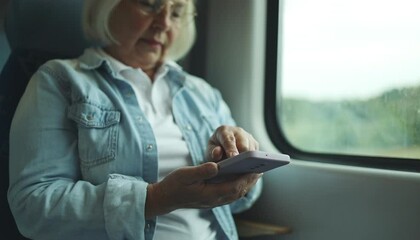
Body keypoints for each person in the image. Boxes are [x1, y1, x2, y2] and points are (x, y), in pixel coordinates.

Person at [7, 0, 263, 239]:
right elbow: (33, 206)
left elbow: (244, 201)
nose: (163, 23)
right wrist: (156, 198)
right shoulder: (60, 80)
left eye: (175, 13)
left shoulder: (202, 92)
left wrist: (239, 162)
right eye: (149, 4)